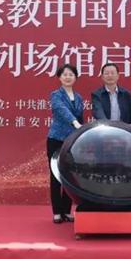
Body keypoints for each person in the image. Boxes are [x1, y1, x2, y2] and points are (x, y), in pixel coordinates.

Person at [46, 63, 84, 224]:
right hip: (56, 140)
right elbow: (62, 111)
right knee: (56, 176)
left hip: (72, 142)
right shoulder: (56, 95)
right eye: (65, 74)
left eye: (71, 74)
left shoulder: (79, 97)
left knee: (69, 176)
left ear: (75, 77)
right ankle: (57, 211)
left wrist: (82, 132)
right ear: (60, 77)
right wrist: (75, 123)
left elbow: (81, 117)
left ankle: (67, 211)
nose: (68, 77)